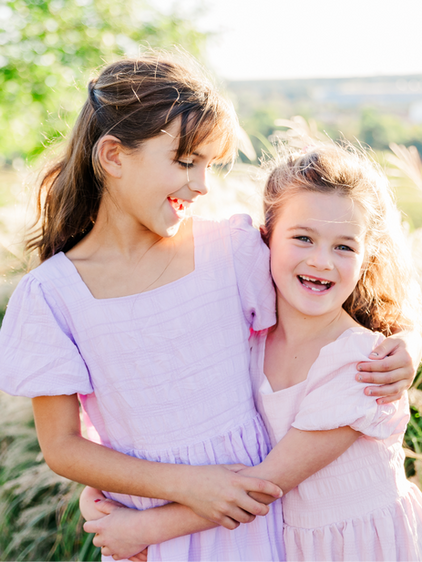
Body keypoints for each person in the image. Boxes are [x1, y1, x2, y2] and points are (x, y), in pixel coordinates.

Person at [0, 53, 416, 562]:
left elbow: (325, 307)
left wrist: (404, 352)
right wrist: (181, 487)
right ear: (113, 156)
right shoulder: (50, 296)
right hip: (150, 530)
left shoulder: (232, 251)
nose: (201, 185)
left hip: (257, 522)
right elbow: (63, 446)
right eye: (185, 161)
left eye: (210, 166)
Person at [82, 146, 422, 562]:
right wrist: (102, 498)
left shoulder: (362, 366)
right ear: (266, 237)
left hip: (356, 548)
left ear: (367, 255)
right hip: (275, 544)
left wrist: (142, 529)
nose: (321, 261)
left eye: (344, 247)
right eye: (302, 238)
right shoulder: (245, 340)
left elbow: (263, 485)